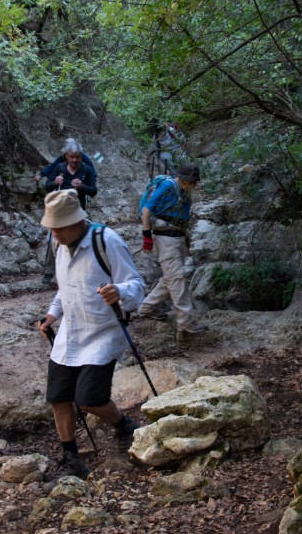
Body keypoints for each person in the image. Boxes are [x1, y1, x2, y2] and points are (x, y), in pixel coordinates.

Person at [37, 189, 145, 479]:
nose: (54, 233)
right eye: (51, 228)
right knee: (58, 396)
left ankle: (124, 425)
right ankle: (71, 458)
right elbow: (66, 288)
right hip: (70, 332)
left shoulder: (106, 240)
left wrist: (119, 291)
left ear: (76, 222)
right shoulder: (59, 244)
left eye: (58, 228)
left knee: (88, 399)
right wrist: (52, 315)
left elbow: (136, 285)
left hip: (103, 331)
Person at [137, 163, 208, 336]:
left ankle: (146, 308)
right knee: (177, 278)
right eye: (193, 182)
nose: (195, 185)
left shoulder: (184, 190)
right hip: (166, 237)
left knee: (170, 277)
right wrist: (147, 237)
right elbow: (146, 211)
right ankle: (185, 322)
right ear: (186, 180)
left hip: (177, 237)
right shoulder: (169, 186)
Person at [41, 139, 99, 284]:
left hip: (78, 212)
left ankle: (78, 271)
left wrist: (82, 186)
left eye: (77, 156)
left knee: (81, 241)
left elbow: (93, 191)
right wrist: (55, 182)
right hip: (59, 212)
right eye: (71, 156)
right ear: (66, 155)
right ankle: (49, 272)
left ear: (81, 156)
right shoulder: (59, 168)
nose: (74, 160)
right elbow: (47, 187)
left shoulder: (87, 170)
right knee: (53, 241)